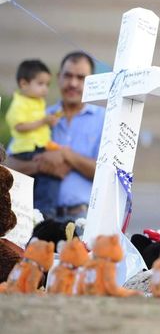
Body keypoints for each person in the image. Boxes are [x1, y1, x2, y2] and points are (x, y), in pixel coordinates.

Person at [4, 51, 105, 222]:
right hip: (37, 217)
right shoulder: (38, 117)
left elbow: (108, 174)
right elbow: (7, 165)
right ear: (58, 78)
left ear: (92, 82)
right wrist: (40, 165)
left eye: (81, 78)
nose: (73, 83)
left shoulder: (105, 119)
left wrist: (66, 155)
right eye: (68, 76)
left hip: (84, 219)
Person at [4, 59, 60, 218]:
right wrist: (43, 121)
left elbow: (38, 124)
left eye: (47, 84)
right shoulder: (19, 103)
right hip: (25, 150)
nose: (45, 89)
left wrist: (48, 122)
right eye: (40, 83)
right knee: (42, 179)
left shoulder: (38, 102)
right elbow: (19, 126)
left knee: (46, 178)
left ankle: (42, 210)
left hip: (38, 146)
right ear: (23, 83)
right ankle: (43, 211)